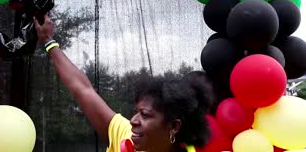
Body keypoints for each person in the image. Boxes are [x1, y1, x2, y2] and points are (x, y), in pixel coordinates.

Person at [34, 14, 214, 152]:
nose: (133, 121)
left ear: (173, 126)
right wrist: (49, 42)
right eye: (136, 112)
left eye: (145, 115)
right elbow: (83, 90)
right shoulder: (125, 135)